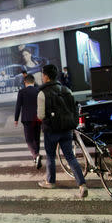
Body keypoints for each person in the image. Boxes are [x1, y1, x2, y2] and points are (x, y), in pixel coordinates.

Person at [37, 64, 88, 198]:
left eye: (43, 75)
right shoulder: (67, 90)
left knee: (50, 156)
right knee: (70, 157)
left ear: (46, 76)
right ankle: (82, 184)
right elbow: (73, 108)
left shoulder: (42, 93)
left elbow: (41, 116)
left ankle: (50, 181)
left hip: (51, 130)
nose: (42, 77)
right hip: (67, 129)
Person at [14, 74, 42, 169]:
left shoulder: (22, 92)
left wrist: (16, 119)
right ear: (33, 82)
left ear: (25, 82)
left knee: (29, 139)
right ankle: (36, 158)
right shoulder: (38, 91)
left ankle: (35, 155)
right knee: (36, 138)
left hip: (27, 119)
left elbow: (18, 106)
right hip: (37, 118)